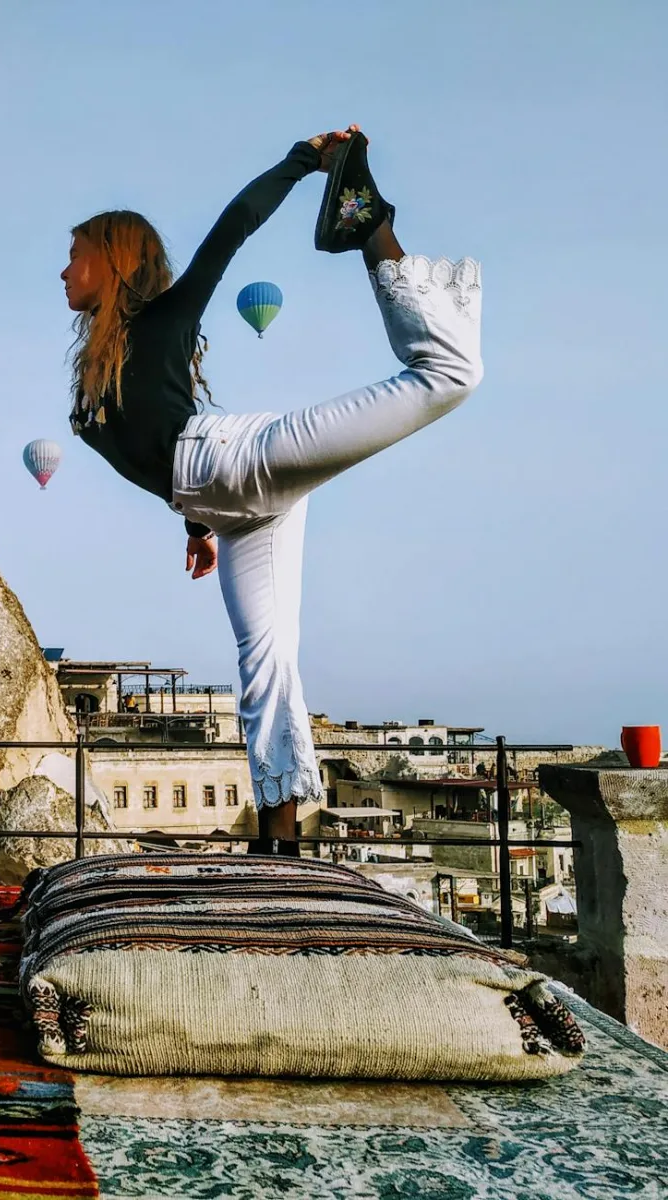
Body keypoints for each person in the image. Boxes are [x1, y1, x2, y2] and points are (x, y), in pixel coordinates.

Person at [62, 126, 481, 855]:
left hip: (240, 460)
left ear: (110, 259)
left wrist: (301, 162)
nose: (62, 271)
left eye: (74, 257)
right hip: (224, 501)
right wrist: (193, 526)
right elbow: (149, 450)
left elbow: (233, 227)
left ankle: (368, 222)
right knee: (267, 662)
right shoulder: (97, 375)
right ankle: (280, 843)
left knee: (448, 375)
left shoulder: (161, 320)